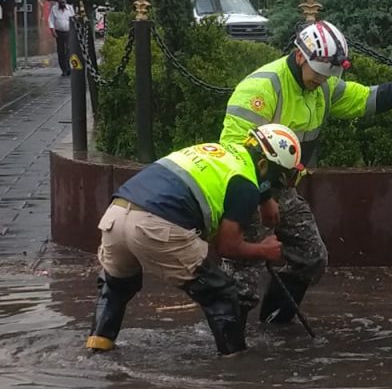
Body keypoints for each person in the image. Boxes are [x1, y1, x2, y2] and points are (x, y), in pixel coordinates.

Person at [219, 19, 392, 324]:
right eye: (318, 74)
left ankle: (275, 324)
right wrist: (264, 198)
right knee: (242, 276)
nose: (321, 81)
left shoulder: (324, 86)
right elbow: (234, 156)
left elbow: (367, 99)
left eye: (327, 75)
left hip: (284, 190)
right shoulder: (261, 88)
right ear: (299, 57)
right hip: (247, 190)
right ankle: (228, 340)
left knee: (312, 256)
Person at [85, 125, 303, 357]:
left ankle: (97, 351)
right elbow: (227, 246)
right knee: (221, 293)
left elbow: (248, 178)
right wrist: (264, 250)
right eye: (281, 178)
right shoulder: (246, 185)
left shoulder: (221, 153)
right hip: (156, 225)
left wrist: (265, 198)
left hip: (115, 215)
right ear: (264, 165)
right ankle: (235, 365)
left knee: (116, 286)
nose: (280, 187)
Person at [48, 0, 75, 76]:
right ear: (58, 2)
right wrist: (52, 31)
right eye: (61, 2)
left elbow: (73, 19)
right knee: (61, 51)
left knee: (69, 49)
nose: (62, 4)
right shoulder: (54, 9)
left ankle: (68, 67)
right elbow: (51, 20)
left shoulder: (70, 8)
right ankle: (64, 69)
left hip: (69, 32)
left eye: (64, 2)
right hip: (59, 32)